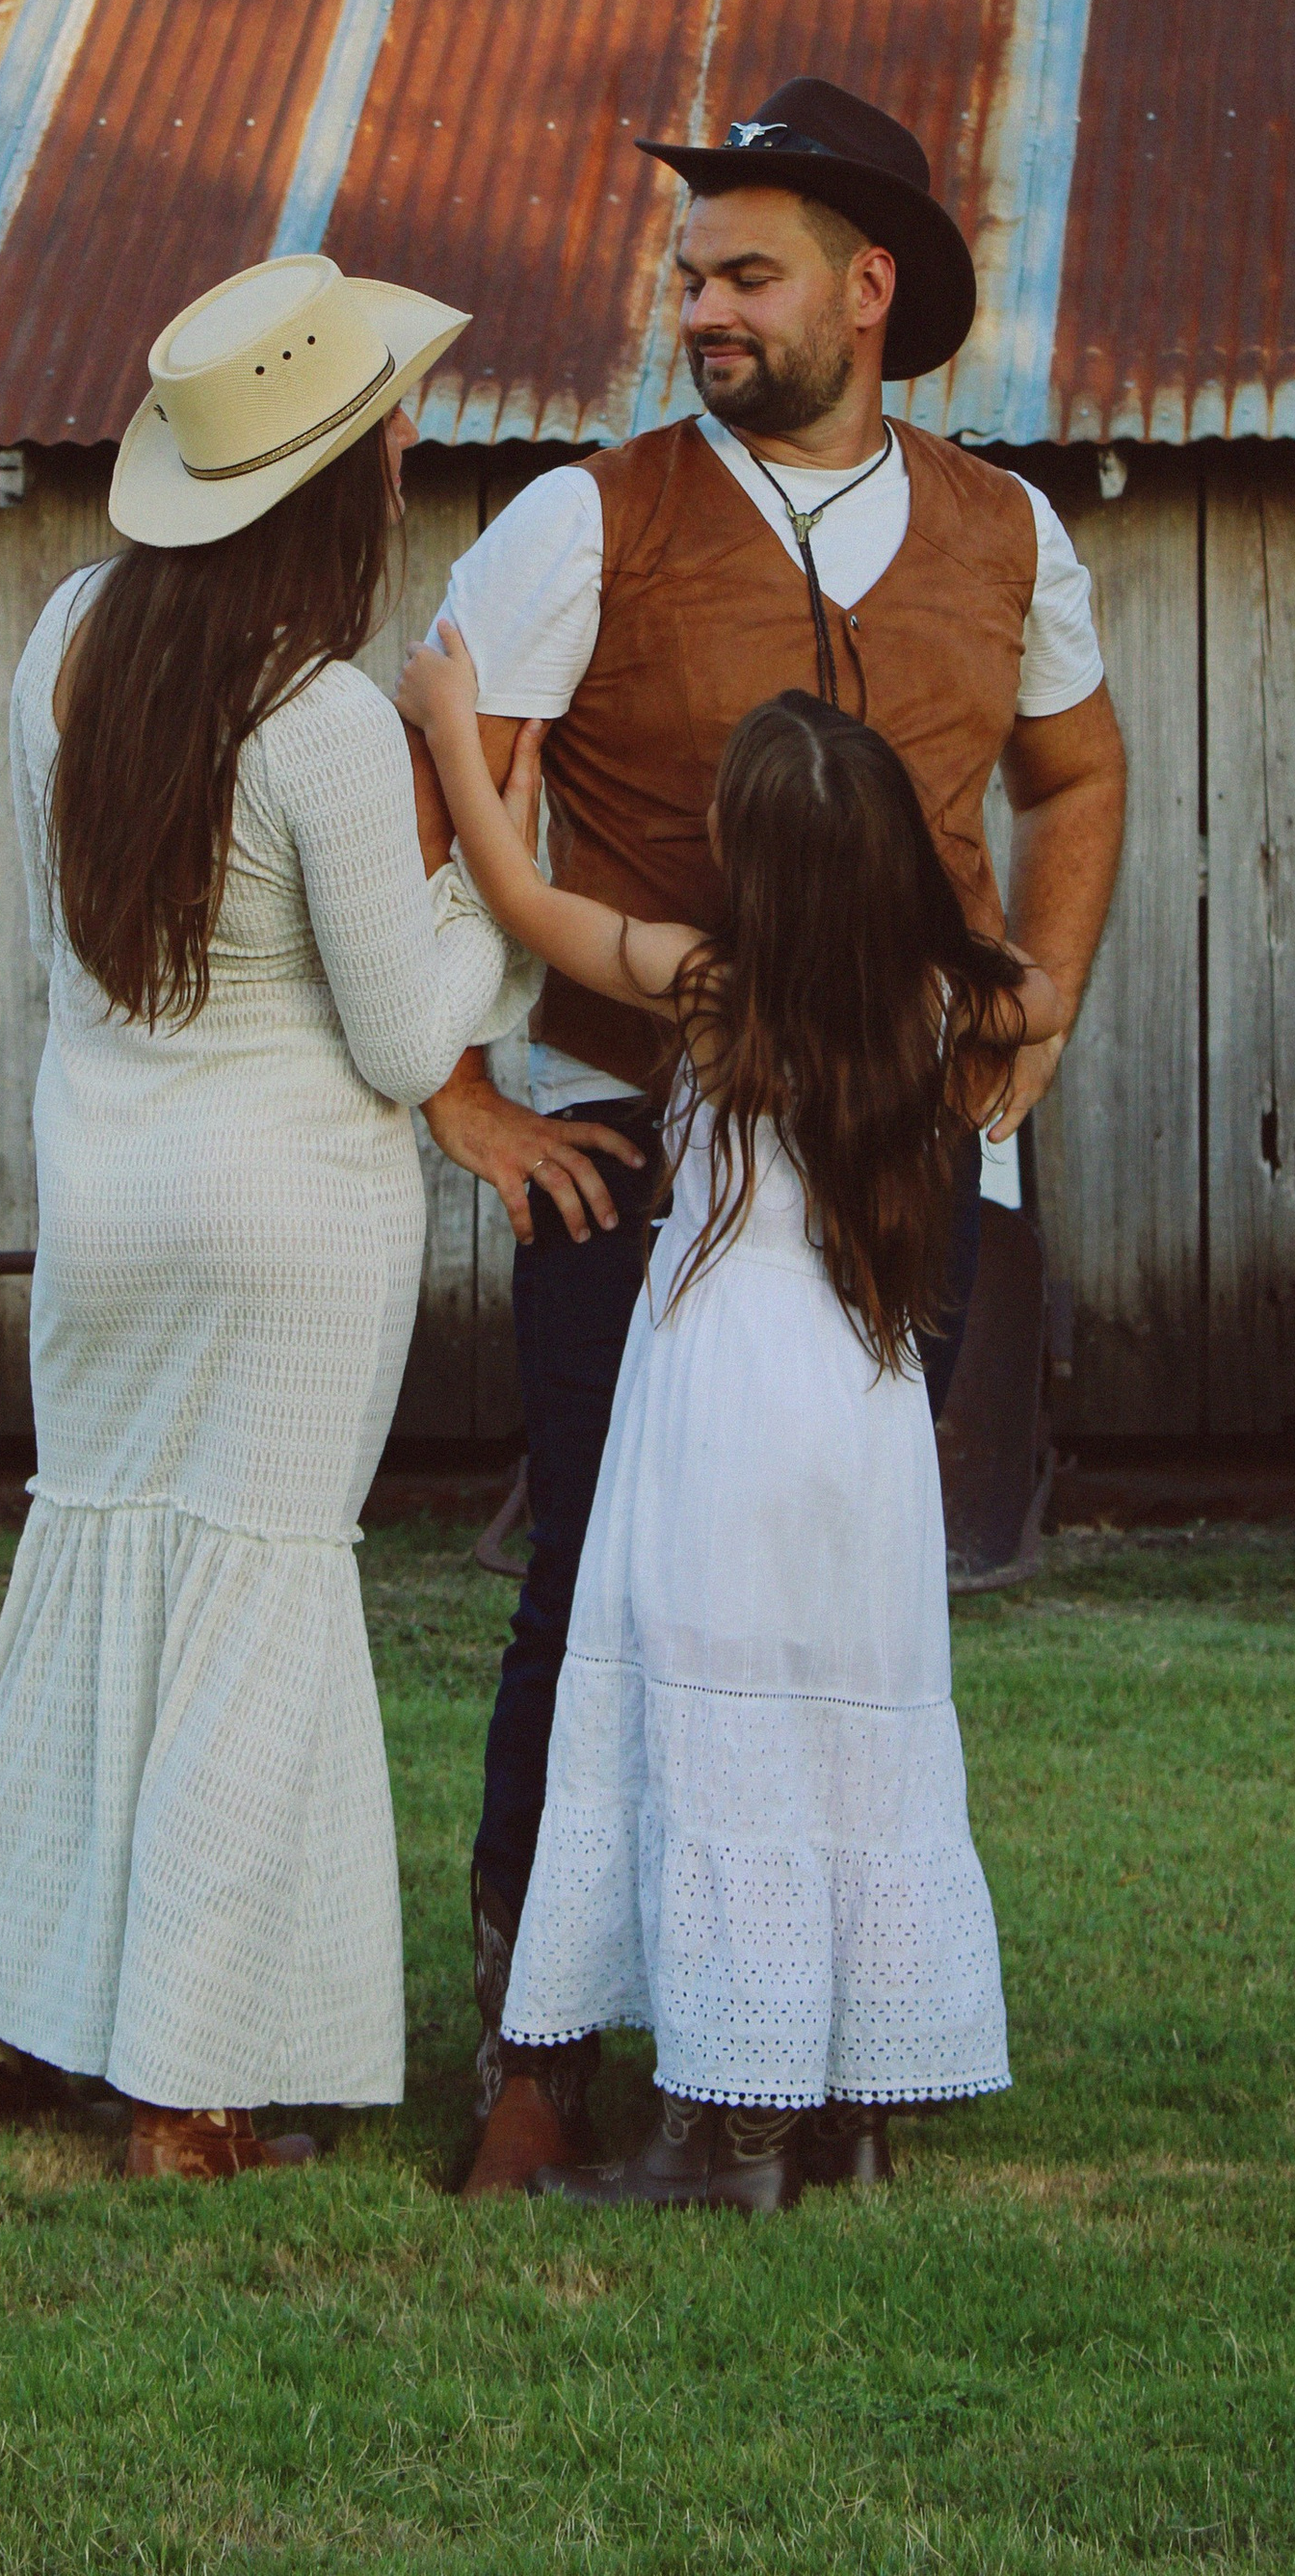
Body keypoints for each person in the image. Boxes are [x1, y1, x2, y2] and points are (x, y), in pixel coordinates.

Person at [411, 76, 1126, 2195]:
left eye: (742, 274)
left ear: (865, 286)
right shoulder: (583, 515)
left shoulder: (1007, 534)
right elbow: (450, 799)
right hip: (633, 1149)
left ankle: (816, 2041)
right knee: (592, 1603)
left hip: (913, 1168)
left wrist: (1053, 989)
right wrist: (456, 1082)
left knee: (842, 1612)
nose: (698, 310)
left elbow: (1072, 783)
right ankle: (531, 2048)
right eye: (689, 274)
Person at [0, 254, 532, 2178]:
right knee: (254, 1606)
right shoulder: (331, 721)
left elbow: (84, 948)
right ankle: (188, 2083)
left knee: (87, 1577)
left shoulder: (65, 645)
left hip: (107, 1182)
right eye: (392, 426)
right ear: (340, 478)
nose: (415, 442)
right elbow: (407, 1031)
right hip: (284, 1214)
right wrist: (479, 806)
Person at [400, 637, 1051, 2210]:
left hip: (718, 1399)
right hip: (866, 1402)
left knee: (715, 1728)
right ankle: (857, 2120)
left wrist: (474, 754)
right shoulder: (959, 1001)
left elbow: (524, 909)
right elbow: (1034, 985)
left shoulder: (709, 988)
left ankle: (719, 2138)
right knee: (844, 1726)